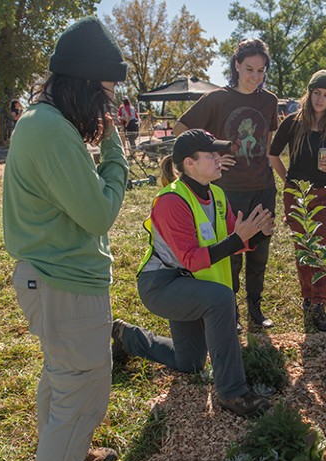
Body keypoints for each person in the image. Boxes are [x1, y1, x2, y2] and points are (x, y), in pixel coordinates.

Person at [2, 16, 130, 461]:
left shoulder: (41, 122)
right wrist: (115, 153)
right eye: (103, 95)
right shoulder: (51, 130)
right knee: (82, 393)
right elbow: (100, 212)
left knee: (63, 382)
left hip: (53, 278)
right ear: (80, 86)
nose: (107, 108)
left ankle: (65, 458)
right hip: (65, 284)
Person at [113, 129, 274, 418]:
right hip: (161, 286)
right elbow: (190, 259)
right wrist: (238, 238)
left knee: (189, 363)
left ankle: (126, 337)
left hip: (188, 284)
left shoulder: (217, 195)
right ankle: (233, 392)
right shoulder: (171, 201)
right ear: (190, 163)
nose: (219, 158)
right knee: (221, 299)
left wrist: (258, 234)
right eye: (211, 154)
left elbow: (231, 242)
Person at [174, 38, 279, 330]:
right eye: (249, 69)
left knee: (259, 251)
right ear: (236, 65)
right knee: (232, 252)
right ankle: (229, 310)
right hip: (228, 189)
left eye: (261, 71)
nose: (255, 76)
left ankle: (255, 309)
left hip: (263, 187)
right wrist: (215, 155)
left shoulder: (269, 101)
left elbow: (268, 143)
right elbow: (181, 129)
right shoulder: (217, 99)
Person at [269, 70, 326, 332]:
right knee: (303, 249)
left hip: (325, 193)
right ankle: (308, 298)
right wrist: (288, 182)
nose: (320, 99)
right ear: (309, 93)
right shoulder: (292, 122)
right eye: (316, 93)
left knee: (322, 249)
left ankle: (319, 303)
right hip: (296, 193)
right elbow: (273, 155)